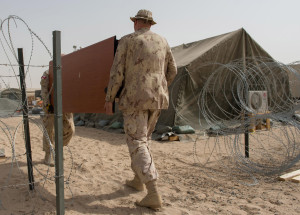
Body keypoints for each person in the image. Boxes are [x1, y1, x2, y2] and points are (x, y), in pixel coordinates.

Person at [104, 9, 177, 210]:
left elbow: (117, 71)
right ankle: (138, 179)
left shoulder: (127, 40)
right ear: (150, 24)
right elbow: (173, 70)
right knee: (143, 140)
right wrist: (159, 87)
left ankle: (153, 192)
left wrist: (110, 97)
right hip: (157, 98)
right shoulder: (163, 41)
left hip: (135, 99)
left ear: (136, 22)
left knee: (136, 141)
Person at [40, 70, 75, 166]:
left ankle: (58, 149)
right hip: (51, 105)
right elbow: (44, 89)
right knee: (49, 129)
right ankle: (48, 154)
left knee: (70, 129)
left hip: (65, 105)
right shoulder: (47, 73)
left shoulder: (69, 70)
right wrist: (48, 104)